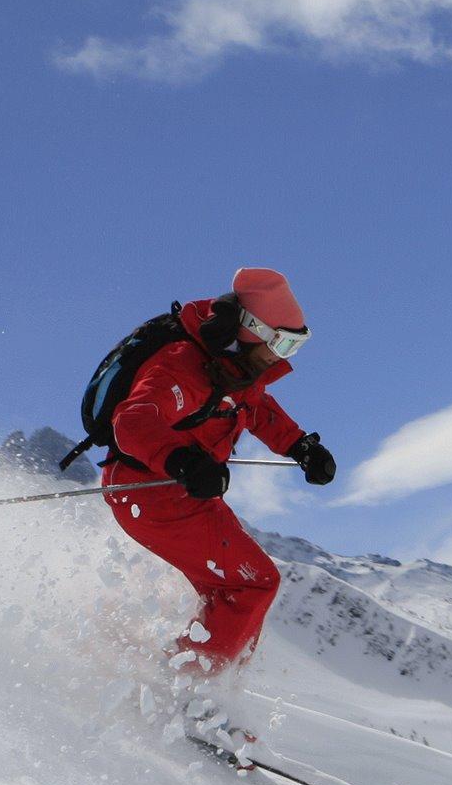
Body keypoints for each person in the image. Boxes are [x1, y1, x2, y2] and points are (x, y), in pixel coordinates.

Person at [102, 267, 336, 678]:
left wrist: (301, 447)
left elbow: (256, 408)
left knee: (229, 594)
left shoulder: (234, 368)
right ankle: (191, 689)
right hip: (151, 491)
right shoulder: (183, 366)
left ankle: (194, 685)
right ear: (252, 330)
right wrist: (183, 461)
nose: (284, 355)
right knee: (254, 584)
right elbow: (132, 421)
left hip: (182, 496)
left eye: (296, 345)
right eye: (282, 342)